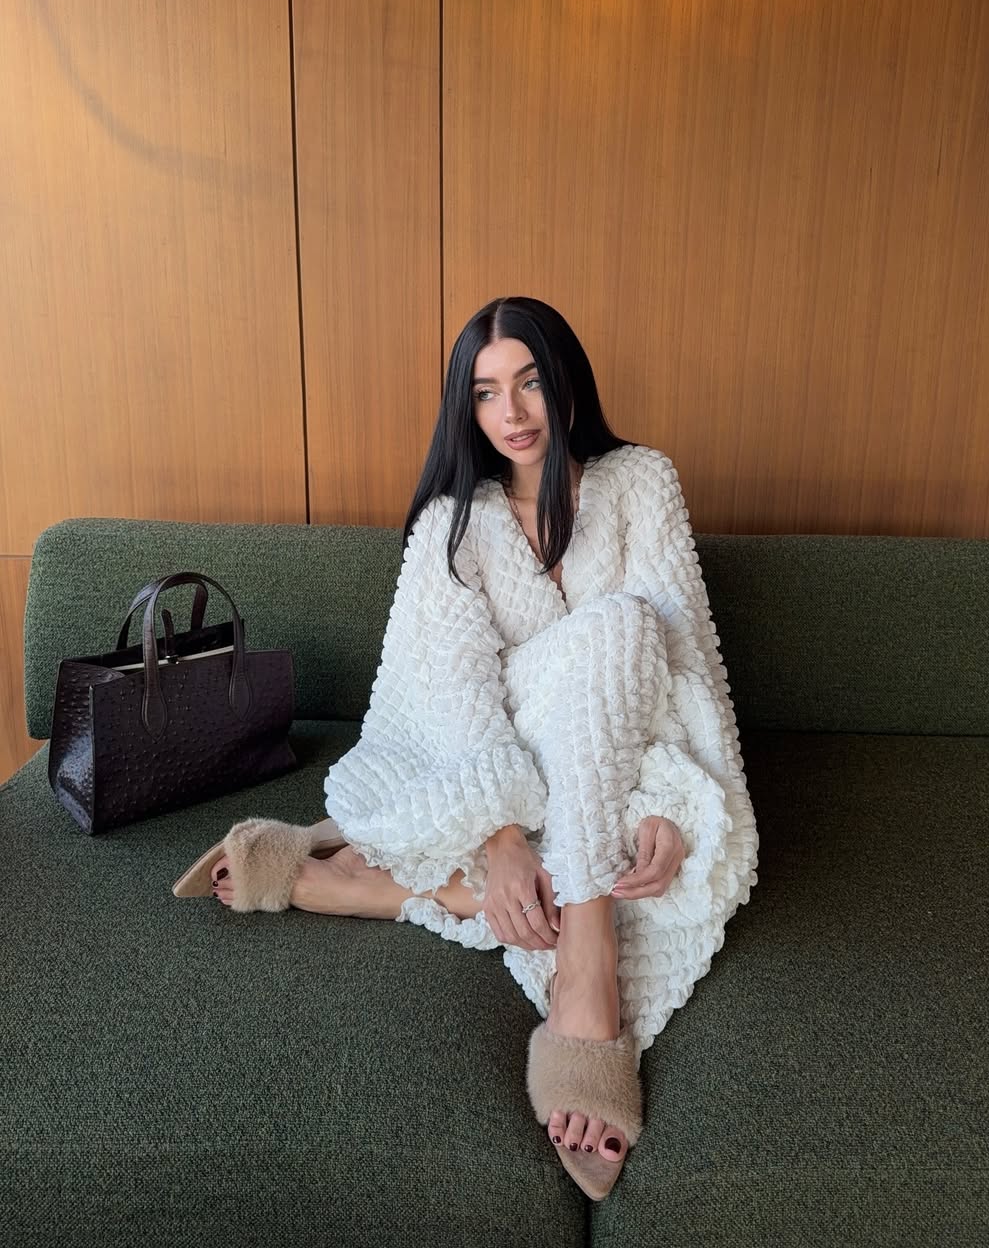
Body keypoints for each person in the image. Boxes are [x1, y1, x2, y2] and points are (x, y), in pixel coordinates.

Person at [174, 295, 759, 1201]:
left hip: (613, 766)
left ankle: (372, 884)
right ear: (466, 408)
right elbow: (451, 693)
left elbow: (679, 668)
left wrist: (665, 810)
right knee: (618, 635)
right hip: (502, 756)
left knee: (674, 843)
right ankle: (586, 974)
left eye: (529, 383)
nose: (512, 413)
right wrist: (501, 836)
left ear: (565, 383)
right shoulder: (456, 519)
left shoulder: (641, 484)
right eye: (486, 393)